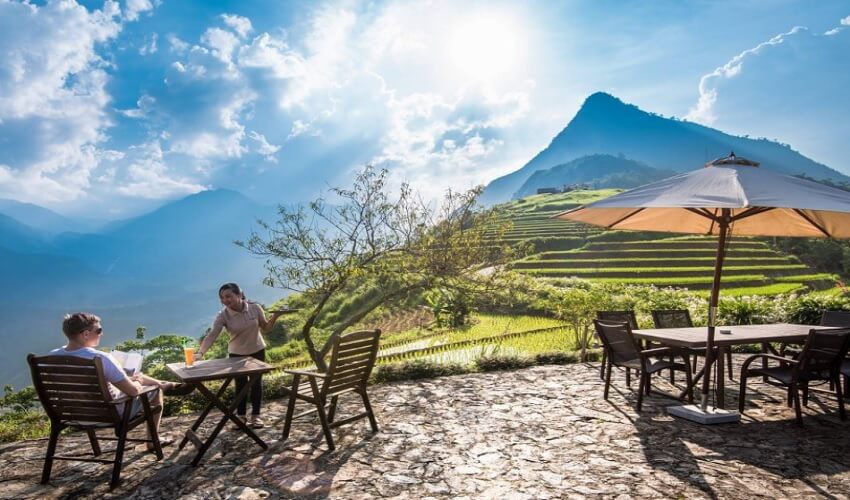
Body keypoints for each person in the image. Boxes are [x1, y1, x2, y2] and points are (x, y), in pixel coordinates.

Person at [50, 313, 191, 449]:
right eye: (98, 330)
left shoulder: (50, 358)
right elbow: (133, 391)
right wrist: (138, 382)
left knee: (132, 378)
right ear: (86, 334)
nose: (101, 334)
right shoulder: (101, 358)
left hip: (70, 415)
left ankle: (163, 383)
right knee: (155, 391)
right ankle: (153, 439)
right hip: (110, 414)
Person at [197, 283, 284, 429]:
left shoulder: (255, 308)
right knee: (240, 385)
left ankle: (256, 416)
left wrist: (275, 316)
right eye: (222, 298)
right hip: (237, 354)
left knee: (256, 384)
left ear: (239, 295)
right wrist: (200, 353)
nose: (225, 300)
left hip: (257, 350)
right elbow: (212, 335)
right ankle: (241, 417)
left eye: (228, 296)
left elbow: (266, 328)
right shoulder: (223, 315)